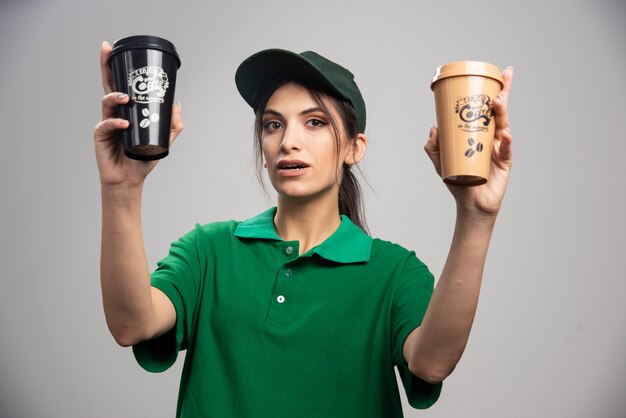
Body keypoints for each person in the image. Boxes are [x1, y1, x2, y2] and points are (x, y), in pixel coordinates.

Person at [95, 43, 513, 417]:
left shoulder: (394, 273)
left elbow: (431, 363)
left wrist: (476, 218)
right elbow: (132, 325)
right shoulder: (209, 251)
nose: (288, 141)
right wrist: (122, 188)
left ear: (354, 148)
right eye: (273, 125)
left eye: (315, 122)